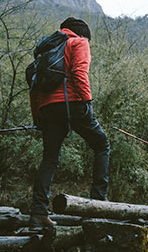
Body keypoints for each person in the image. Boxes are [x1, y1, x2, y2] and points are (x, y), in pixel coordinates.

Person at [29, 17, 110, 226]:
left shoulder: (46, 49)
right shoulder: (78, 42)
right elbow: (79, 73)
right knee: (101, 145)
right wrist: (87, 101)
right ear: (82, 34)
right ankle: (98, 203)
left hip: (47, 107)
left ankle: (38, 212)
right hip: (73, 103)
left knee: (50, 158)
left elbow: (34, 85)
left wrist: (37, 115)